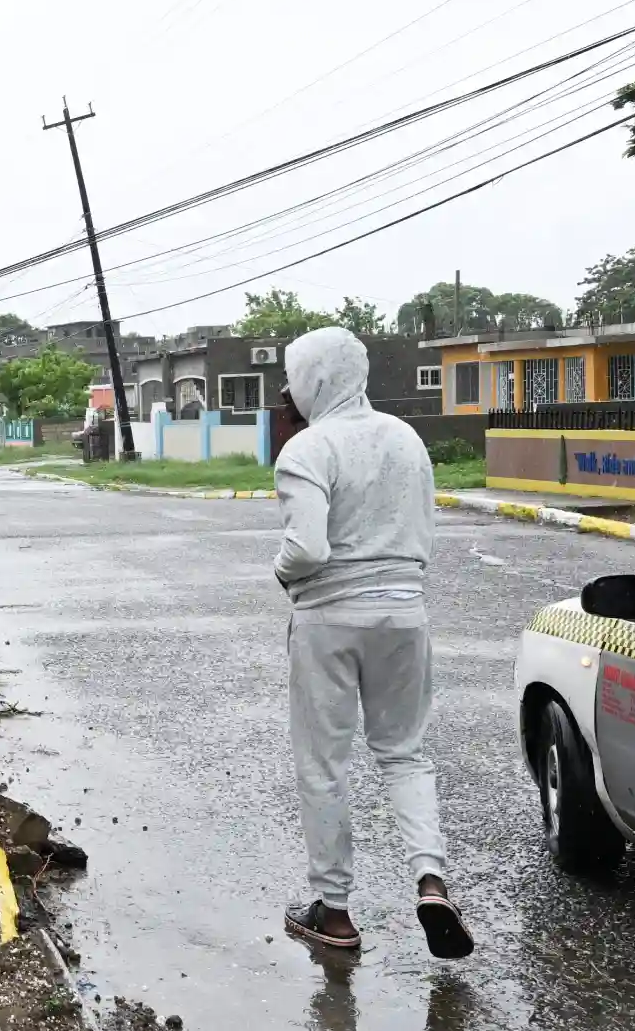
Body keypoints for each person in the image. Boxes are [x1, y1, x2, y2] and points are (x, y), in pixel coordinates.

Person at [272, 327, 474, 960]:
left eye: (294, 376)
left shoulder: (307, 449)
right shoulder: (407, 441)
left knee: (324, 764)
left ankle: (333, 913)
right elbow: (423, 531)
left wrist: (281, 572)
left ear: (315, 378)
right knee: (406, 755)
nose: (289, 389)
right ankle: (431, 881)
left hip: (330, 617)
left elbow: (307, 550)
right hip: (405, 613)